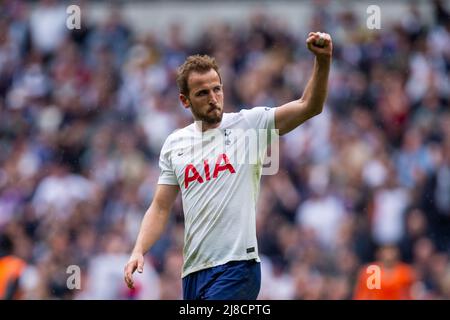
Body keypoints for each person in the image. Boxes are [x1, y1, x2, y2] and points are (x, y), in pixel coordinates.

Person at [124, 31, 333, 300]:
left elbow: (309, 106)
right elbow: (161, 206)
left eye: (217, 89)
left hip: (238, 267)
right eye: (202, 93)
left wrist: (323, 60)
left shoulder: (250, 125)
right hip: (194, 273)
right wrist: (139, 249)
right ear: (184, 101)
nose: (213, 98)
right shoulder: (175, 144)